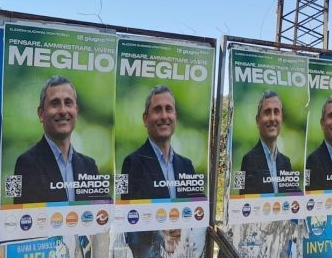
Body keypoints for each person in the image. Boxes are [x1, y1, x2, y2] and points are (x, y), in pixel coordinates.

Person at [12, 75, 107, 204]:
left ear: (76, 111)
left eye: (68, 103)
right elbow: (25, 217)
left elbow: (104, 212)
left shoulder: (89, 166)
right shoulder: (27, 164)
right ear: (41, 114)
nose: (63, 111)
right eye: (55, 103)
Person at [120, 85, 198, 201]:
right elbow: (127, 210)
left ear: (175, 116)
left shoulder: (187, 166)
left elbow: (198, 209)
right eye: (157, 110)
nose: (164, 116)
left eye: (168, 109)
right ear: (145, 119)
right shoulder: (130, 163)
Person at [239, 90, 299, 194]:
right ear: (258, 120)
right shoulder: (248, 160)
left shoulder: (286, 163)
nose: (272, 118)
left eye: (276, 112)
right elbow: (244, 201)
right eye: (267, 112)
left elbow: (294, 197)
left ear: (282, 118)